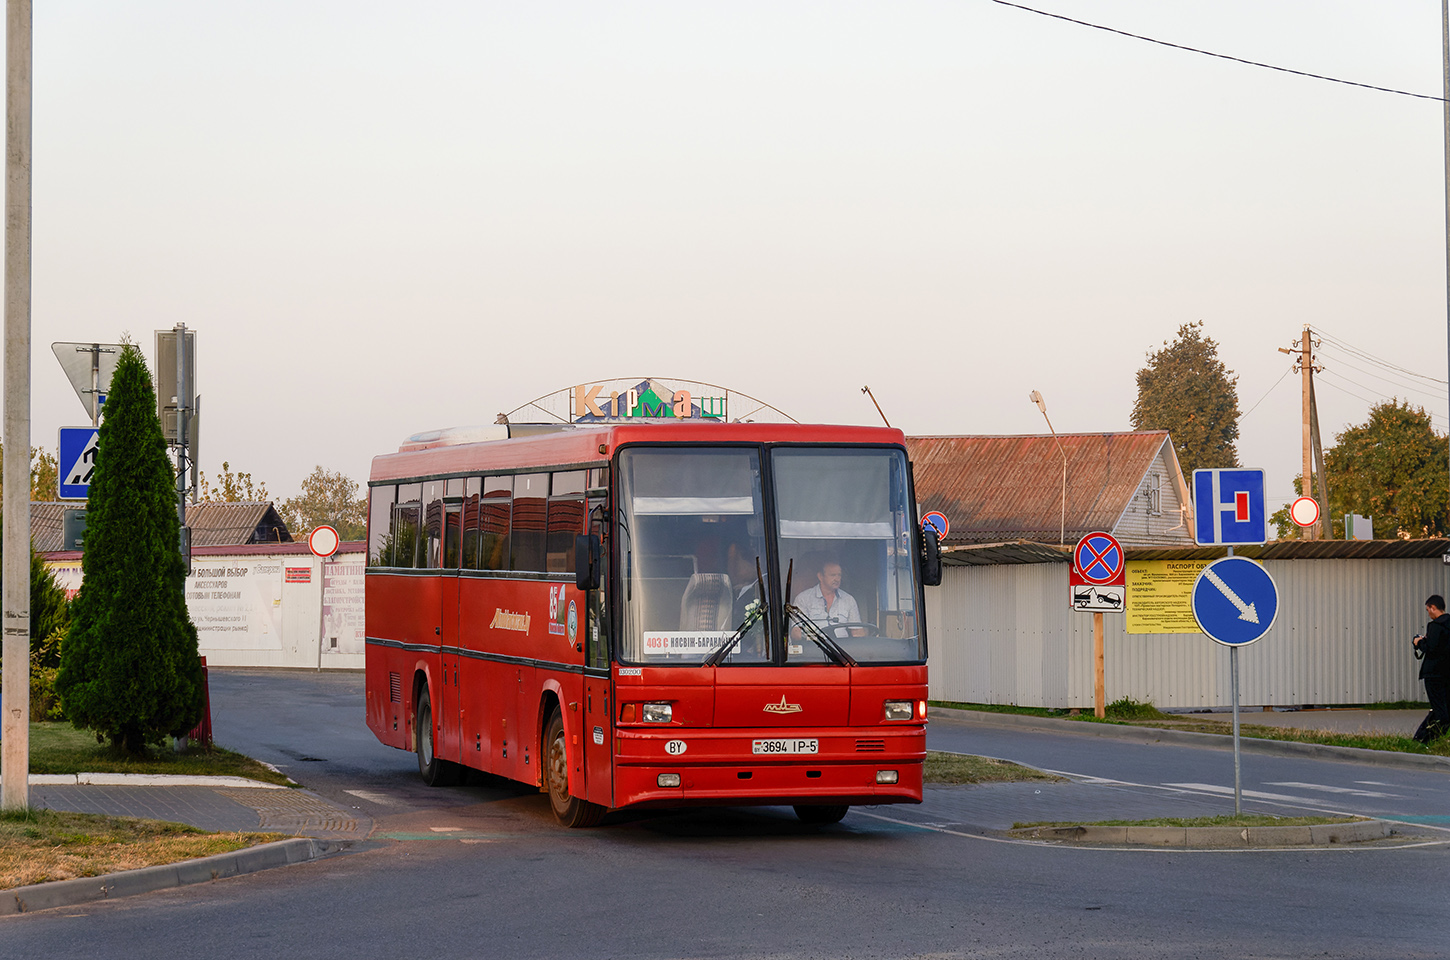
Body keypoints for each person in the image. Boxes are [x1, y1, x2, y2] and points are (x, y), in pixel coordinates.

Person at [791, 556, 863, 637]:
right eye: (833, 575)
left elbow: (857, 632)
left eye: (839, 575)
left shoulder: (849, 600)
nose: (837, 579)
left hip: (842, 648)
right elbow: (796, 632)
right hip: (815, 647)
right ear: (820, 576)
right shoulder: (803, 599)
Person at [1412, 595, 1450, 743]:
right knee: (1444, 710)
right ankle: (1428, 739)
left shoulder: (1435, 626)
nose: (1428, 613)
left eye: (1428, 610)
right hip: (1447, 674)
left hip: (1434, 674)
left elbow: (1431, 648)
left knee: (1439, 711)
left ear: (1433, 608)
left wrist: (1418, 643)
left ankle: (1423, 740)